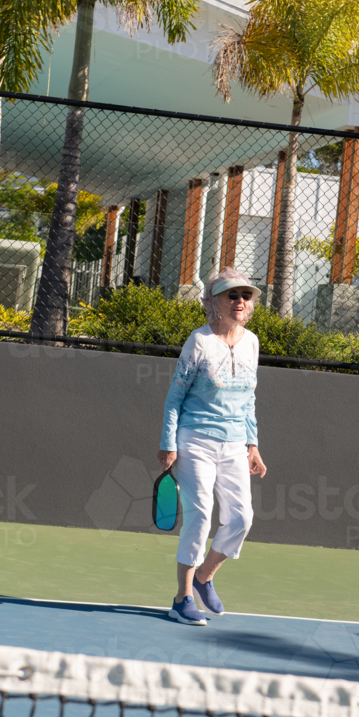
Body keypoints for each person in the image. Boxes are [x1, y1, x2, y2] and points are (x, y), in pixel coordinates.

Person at [158, 267, 267, 625]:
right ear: (214, 302)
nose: (240, 301)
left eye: (245, 295)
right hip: (195, 441)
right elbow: (175, 397)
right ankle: (182, 598)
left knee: (242, 518)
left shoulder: (251, 343)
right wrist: (168, 443)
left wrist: (252, 444)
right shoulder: (199, 342)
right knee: (201, 516)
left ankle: (204, 577)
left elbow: (249, 399)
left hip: (235, 445)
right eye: (232, 295)